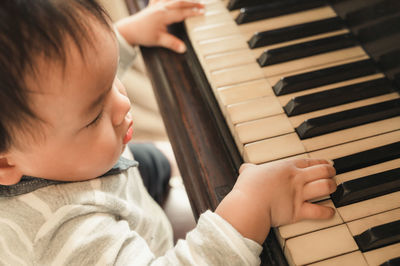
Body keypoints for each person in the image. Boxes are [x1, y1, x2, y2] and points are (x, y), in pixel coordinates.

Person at [0, 0, 337, 265]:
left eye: (110, 79)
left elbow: (75, 79)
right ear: (5, 165)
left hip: (119, 177)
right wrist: (252, 204)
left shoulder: (46, 148)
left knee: (151, 162)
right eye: (92, 117)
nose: (121, 105)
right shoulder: (66, 237)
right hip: (129, 227)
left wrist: (127, 34)